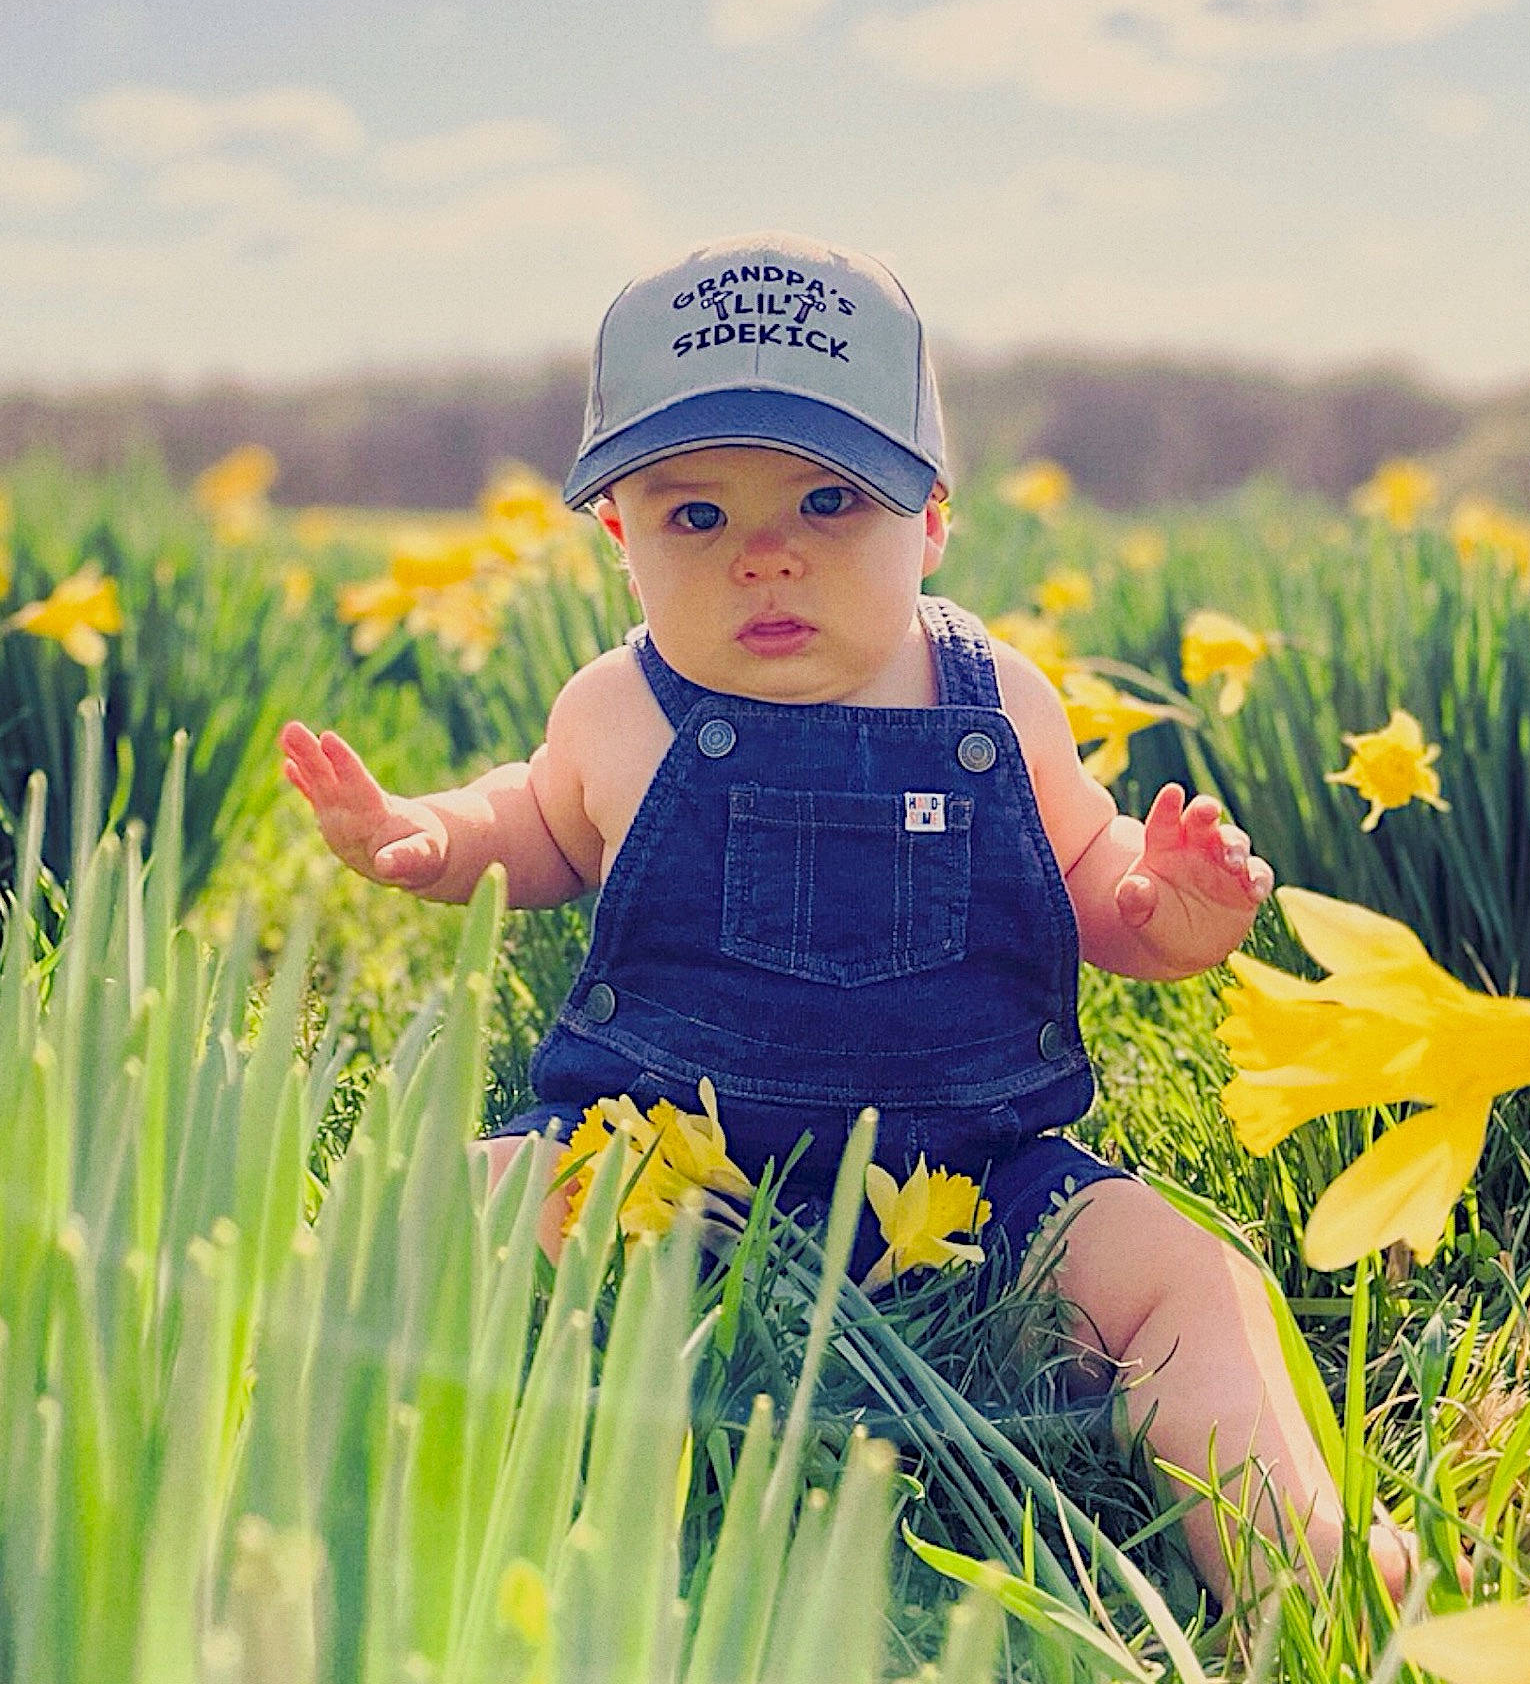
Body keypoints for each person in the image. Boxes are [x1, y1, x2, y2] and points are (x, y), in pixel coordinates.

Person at [279, 231, 1407, 1602]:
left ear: (930, 518)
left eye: (829, 503)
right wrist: (427, 834)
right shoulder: (614, 712)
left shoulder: (1000, 705)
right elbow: (534, 825)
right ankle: (297, 1494)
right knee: (430, 1201)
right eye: (698, 516)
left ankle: (1307, 1562)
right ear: (617, 536)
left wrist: (1174, 912)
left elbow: (1100, 894)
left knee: (1191, 1280)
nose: (766, 558)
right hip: (649, 1170)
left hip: (979, 1188)